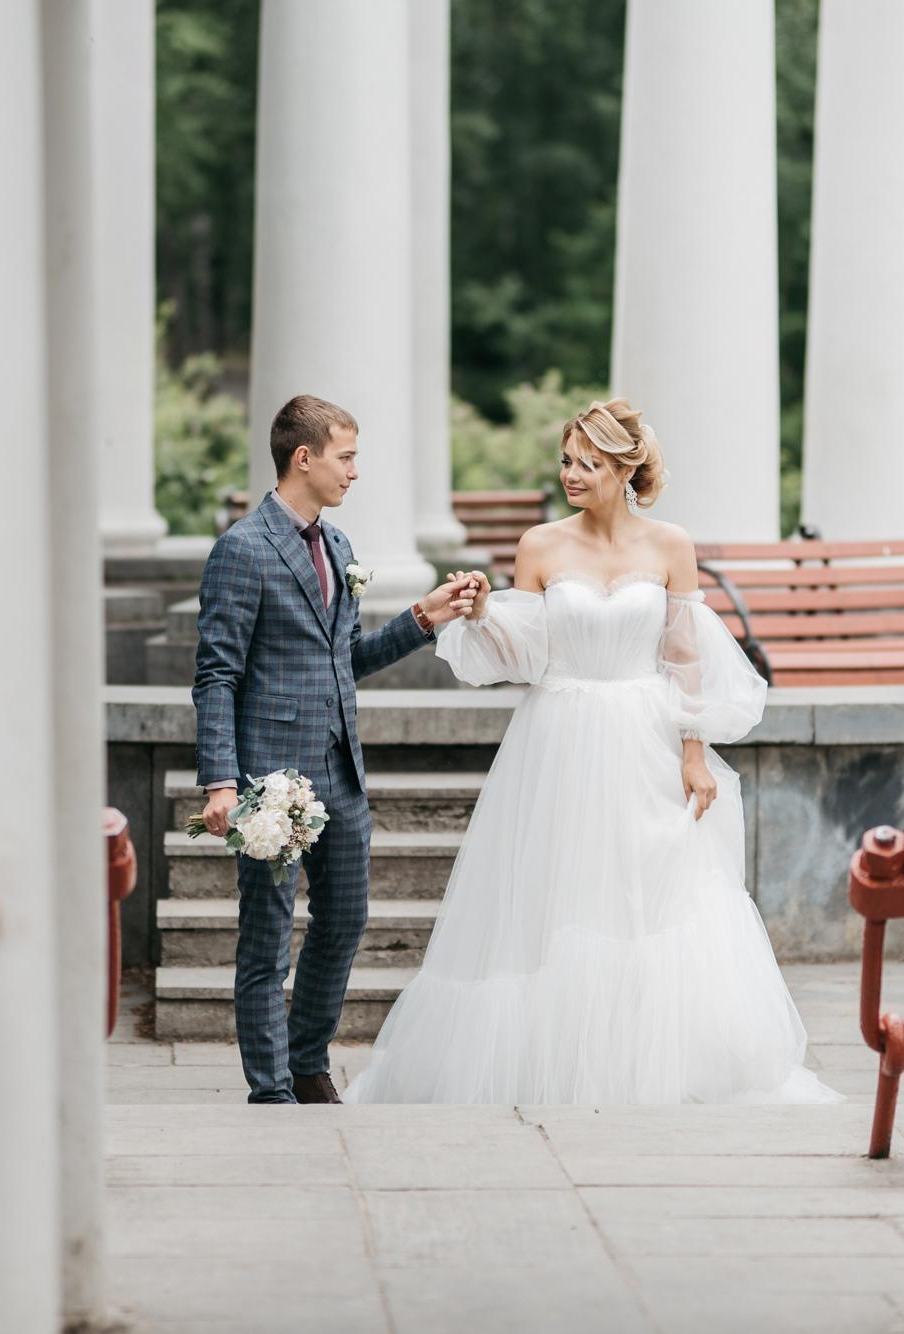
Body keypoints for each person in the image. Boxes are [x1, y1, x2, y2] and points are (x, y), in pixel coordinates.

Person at [345, 399, 840, 1105]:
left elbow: (684, 657)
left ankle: (650, 1059)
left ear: (625, 469)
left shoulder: (670, 545)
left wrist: (693, 752)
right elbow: (527, 655)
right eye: (566, 460)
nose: (570, 474)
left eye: (589, 463)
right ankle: (551, 1060)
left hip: (645, 733)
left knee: (651, 893)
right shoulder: (540, 545)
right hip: (559, 735)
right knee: (557, 893)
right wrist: (485, 615)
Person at [191, 394, 478, 1104]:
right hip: (269, 776)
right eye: (346, 458)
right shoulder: (242, 548)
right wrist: (221, 781)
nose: (354, 472)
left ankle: (307, 1060)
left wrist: (424, 617)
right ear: (304, 457)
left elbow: (345, 657)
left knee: (345, 920)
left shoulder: (340, 547)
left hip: (340, 771)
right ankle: (271, 1089)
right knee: (266, 937)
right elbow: (217, 673)